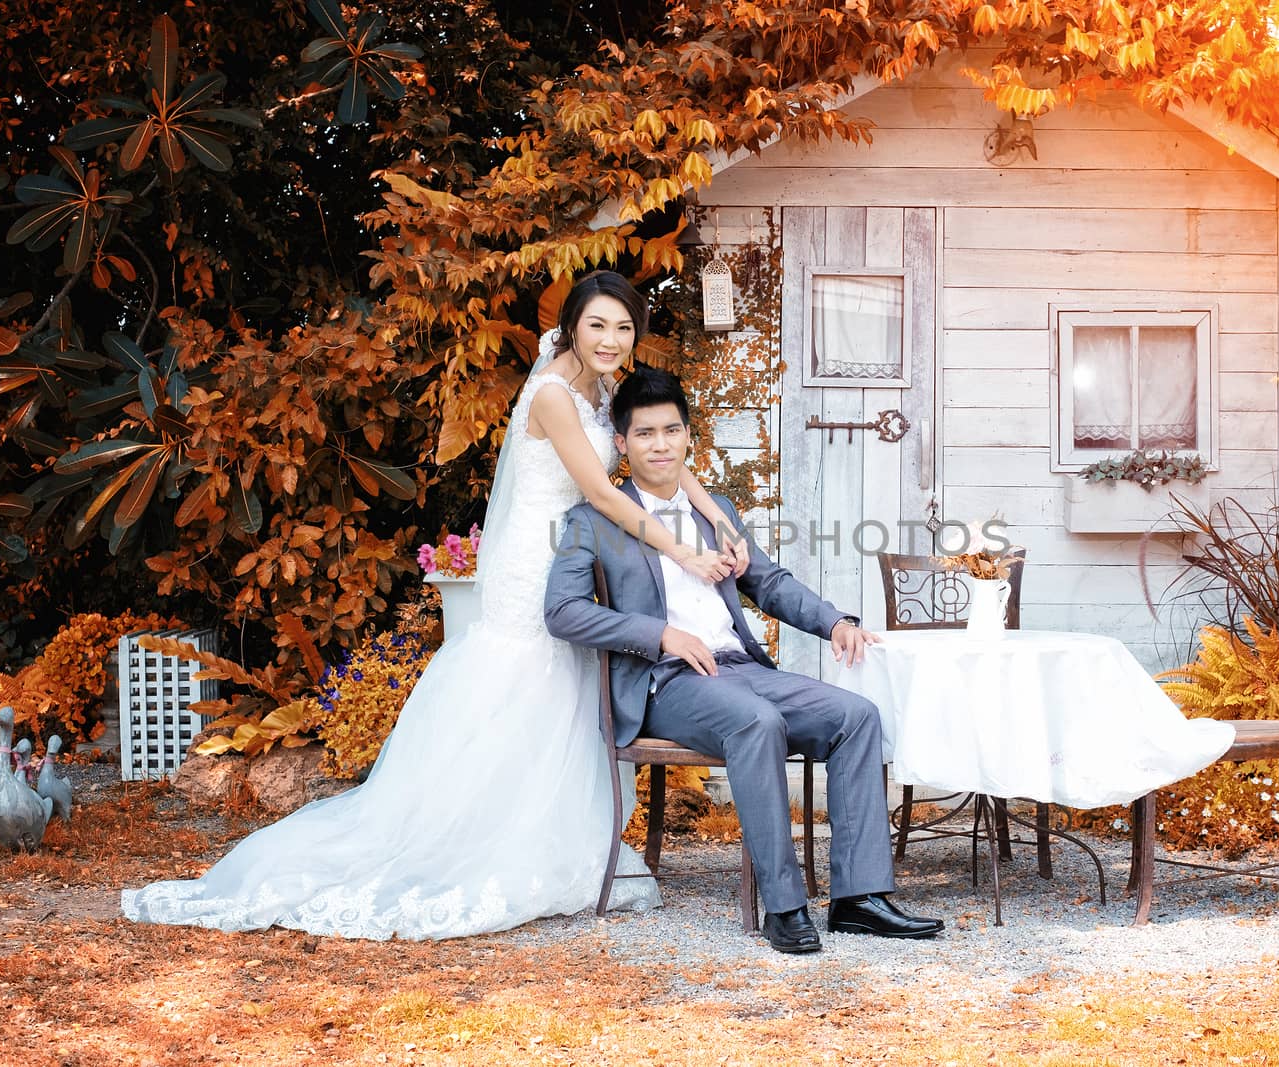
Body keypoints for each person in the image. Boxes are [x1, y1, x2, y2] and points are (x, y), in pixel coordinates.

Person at [122, 271, 753, 939]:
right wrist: (684, 553)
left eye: (624, 327)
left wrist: (719, 520)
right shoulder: (552, 396)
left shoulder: (605, 387)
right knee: (521, 687)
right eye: (598, 324)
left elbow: (666, 459)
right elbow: (600, 490)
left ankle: (543, 833)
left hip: (573, 554)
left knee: (564, 695)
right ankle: (480, 840)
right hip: (535, 560)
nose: (612, 339)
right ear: (572, 325)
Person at [545, 366, 945, 953]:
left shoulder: (716, 512)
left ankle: (859, 898)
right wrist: (658, 635)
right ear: (623, 443)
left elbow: (769, 582)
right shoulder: (593, 520)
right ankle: (782, 907)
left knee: (856, 716)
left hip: (742, 669)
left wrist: (835, 619)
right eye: (646, 433)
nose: (661, 445)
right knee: (757, 723)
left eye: (671, 431)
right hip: (666, 683)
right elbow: (563, 612)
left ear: (689, 436)